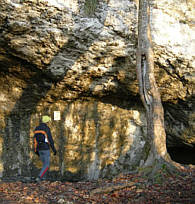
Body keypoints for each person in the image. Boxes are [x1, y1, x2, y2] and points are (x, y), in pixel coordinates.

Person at [33, 115, 57, 182]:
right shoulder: (46, 128)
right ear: (47, 121)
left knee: (44, 164)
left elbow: (35, 140)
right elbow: (50, 139)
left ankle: (43, 179)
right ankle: (39, 177)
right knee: (46, 165)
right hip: (45, 148)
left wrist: (35, 150)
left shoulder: (37, 128)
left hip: (39, 149)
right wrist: (54, 149)